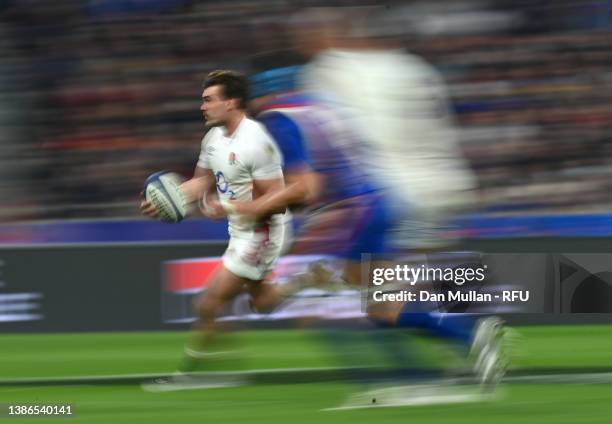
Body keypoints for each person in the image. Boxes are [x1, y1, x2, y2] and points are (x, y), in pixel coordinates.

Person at [141, 70, 289, 379]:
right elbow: (202, 182)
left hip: (263, 231)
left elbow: (277, 199)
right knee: (263, 303)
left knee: (207, 303)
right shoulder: (213, 138)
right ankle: (306, 280)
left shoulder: (256, 142)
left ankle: (193, 374)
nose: (202, 107)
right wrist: (167, 200)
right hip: (239, 229)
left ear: (232, 102)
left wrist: (232, 206)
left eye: (209, 100)